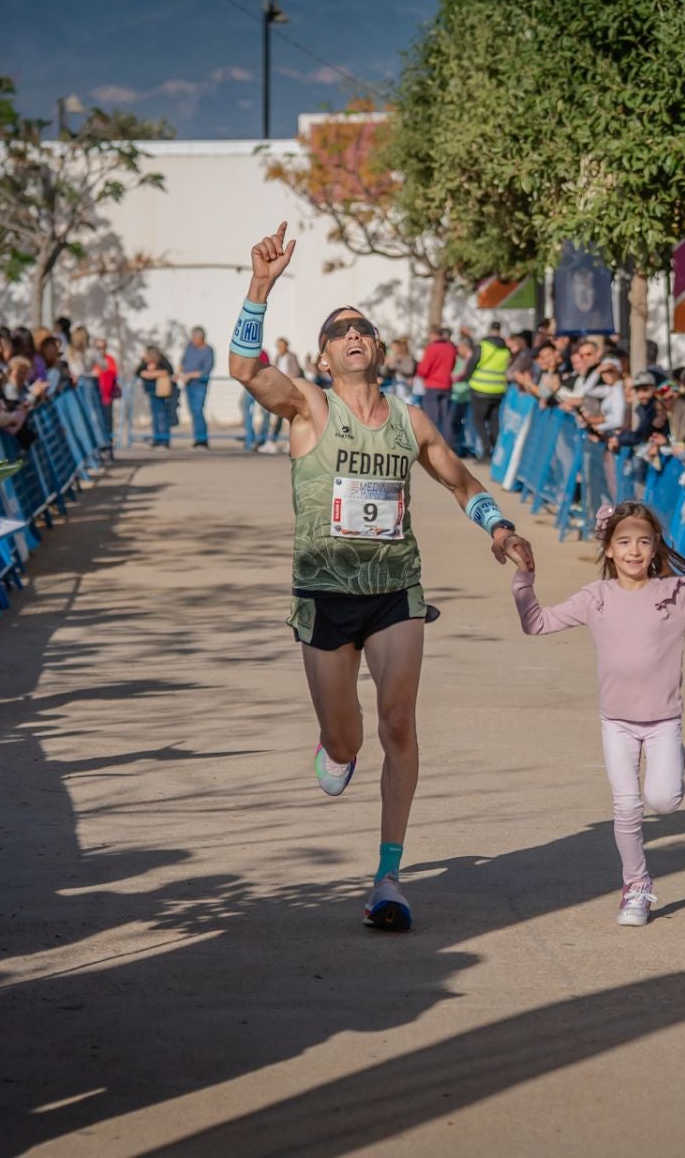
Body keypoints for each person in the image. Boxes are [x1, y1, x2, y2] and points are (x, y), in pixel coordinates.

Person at [227, 224, 535, 931]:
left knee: (401, 724)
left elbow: (460, 481)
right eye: (339, 331)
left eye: (362, 326)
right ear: (325, 355)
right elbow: (245, 371)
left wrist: (498, 526)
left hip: (395, 591)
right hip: (326, 595)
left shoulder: (408, 418)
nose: (352, 334)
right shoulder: (307, 407)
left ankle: (389, 876)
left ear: (378, 346)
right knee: (348, 741)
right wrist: (261, 287)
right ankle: (336, 745)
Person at [511, 501, 685, 926]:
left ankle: (675, 759)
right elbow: (536, 623)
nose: (634, 550)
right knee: (626, 807)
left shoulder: (675, 594)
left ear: (655, 547)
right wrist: (524, 579)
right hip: (616, 723)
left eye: (643, 542)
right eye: (624, 542)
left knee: (662, 802)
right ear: (608, 549)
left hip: (663, 722)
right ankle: (637, 887)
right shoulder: (596, 597)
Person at [467, 326, 513, 459]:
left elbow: (472, 364)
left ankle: (487, 451)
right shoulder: (505, 349)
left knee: (479, 421)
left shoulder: (483, 346)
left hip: (480, 389)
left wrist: (467, 379)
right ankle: (497, 452)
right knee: (494, 422)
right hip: (498, 390)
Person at [419, 325, 458, 445]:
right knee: (446, 418)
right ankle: (449, 445)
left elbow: (423, 369)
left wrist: (420, 372)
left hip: (432, 385)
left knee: (432, 418)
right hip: (446, 385)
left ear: (432, 334)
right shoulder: (450, 348)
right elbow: (453, 365)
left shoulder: (432, 348)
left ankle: (433, 445)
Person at [179, 327, 215, 449]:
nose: (193, 340)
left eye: (195, 338)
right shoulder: (190, 347)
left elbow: (205, 371)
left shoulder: (208, 351)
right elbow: (183, 362)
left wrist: (190, 375)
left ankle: (202, 440)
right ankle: (196, 439)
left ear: (201, 338)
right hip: (188, 385)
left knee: (198, 410)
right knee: (193, 412)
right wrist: (180, 374)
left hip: (200, 384)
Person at [138, 345, 175, 448]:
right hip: (151, 392)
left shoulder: (162, 361)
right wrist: (145, 372)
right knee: (155, 417)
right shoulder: (145, 362)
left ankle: (164, 441)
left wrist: (155, 373)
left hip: (162, 392)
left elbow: (169, 371)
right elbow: (138, 372)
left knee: (162, 416)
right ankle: (157, 439)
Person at [92, 336, 120, 438]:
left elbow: (112, 373)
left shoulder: (110, 359)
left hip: (107, 394)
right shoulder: (91, 359)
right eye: (98, 348)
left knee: (107, 417)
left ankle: (108, 439)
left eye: (103, 347)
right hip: (94, 392)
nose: (101, 350)